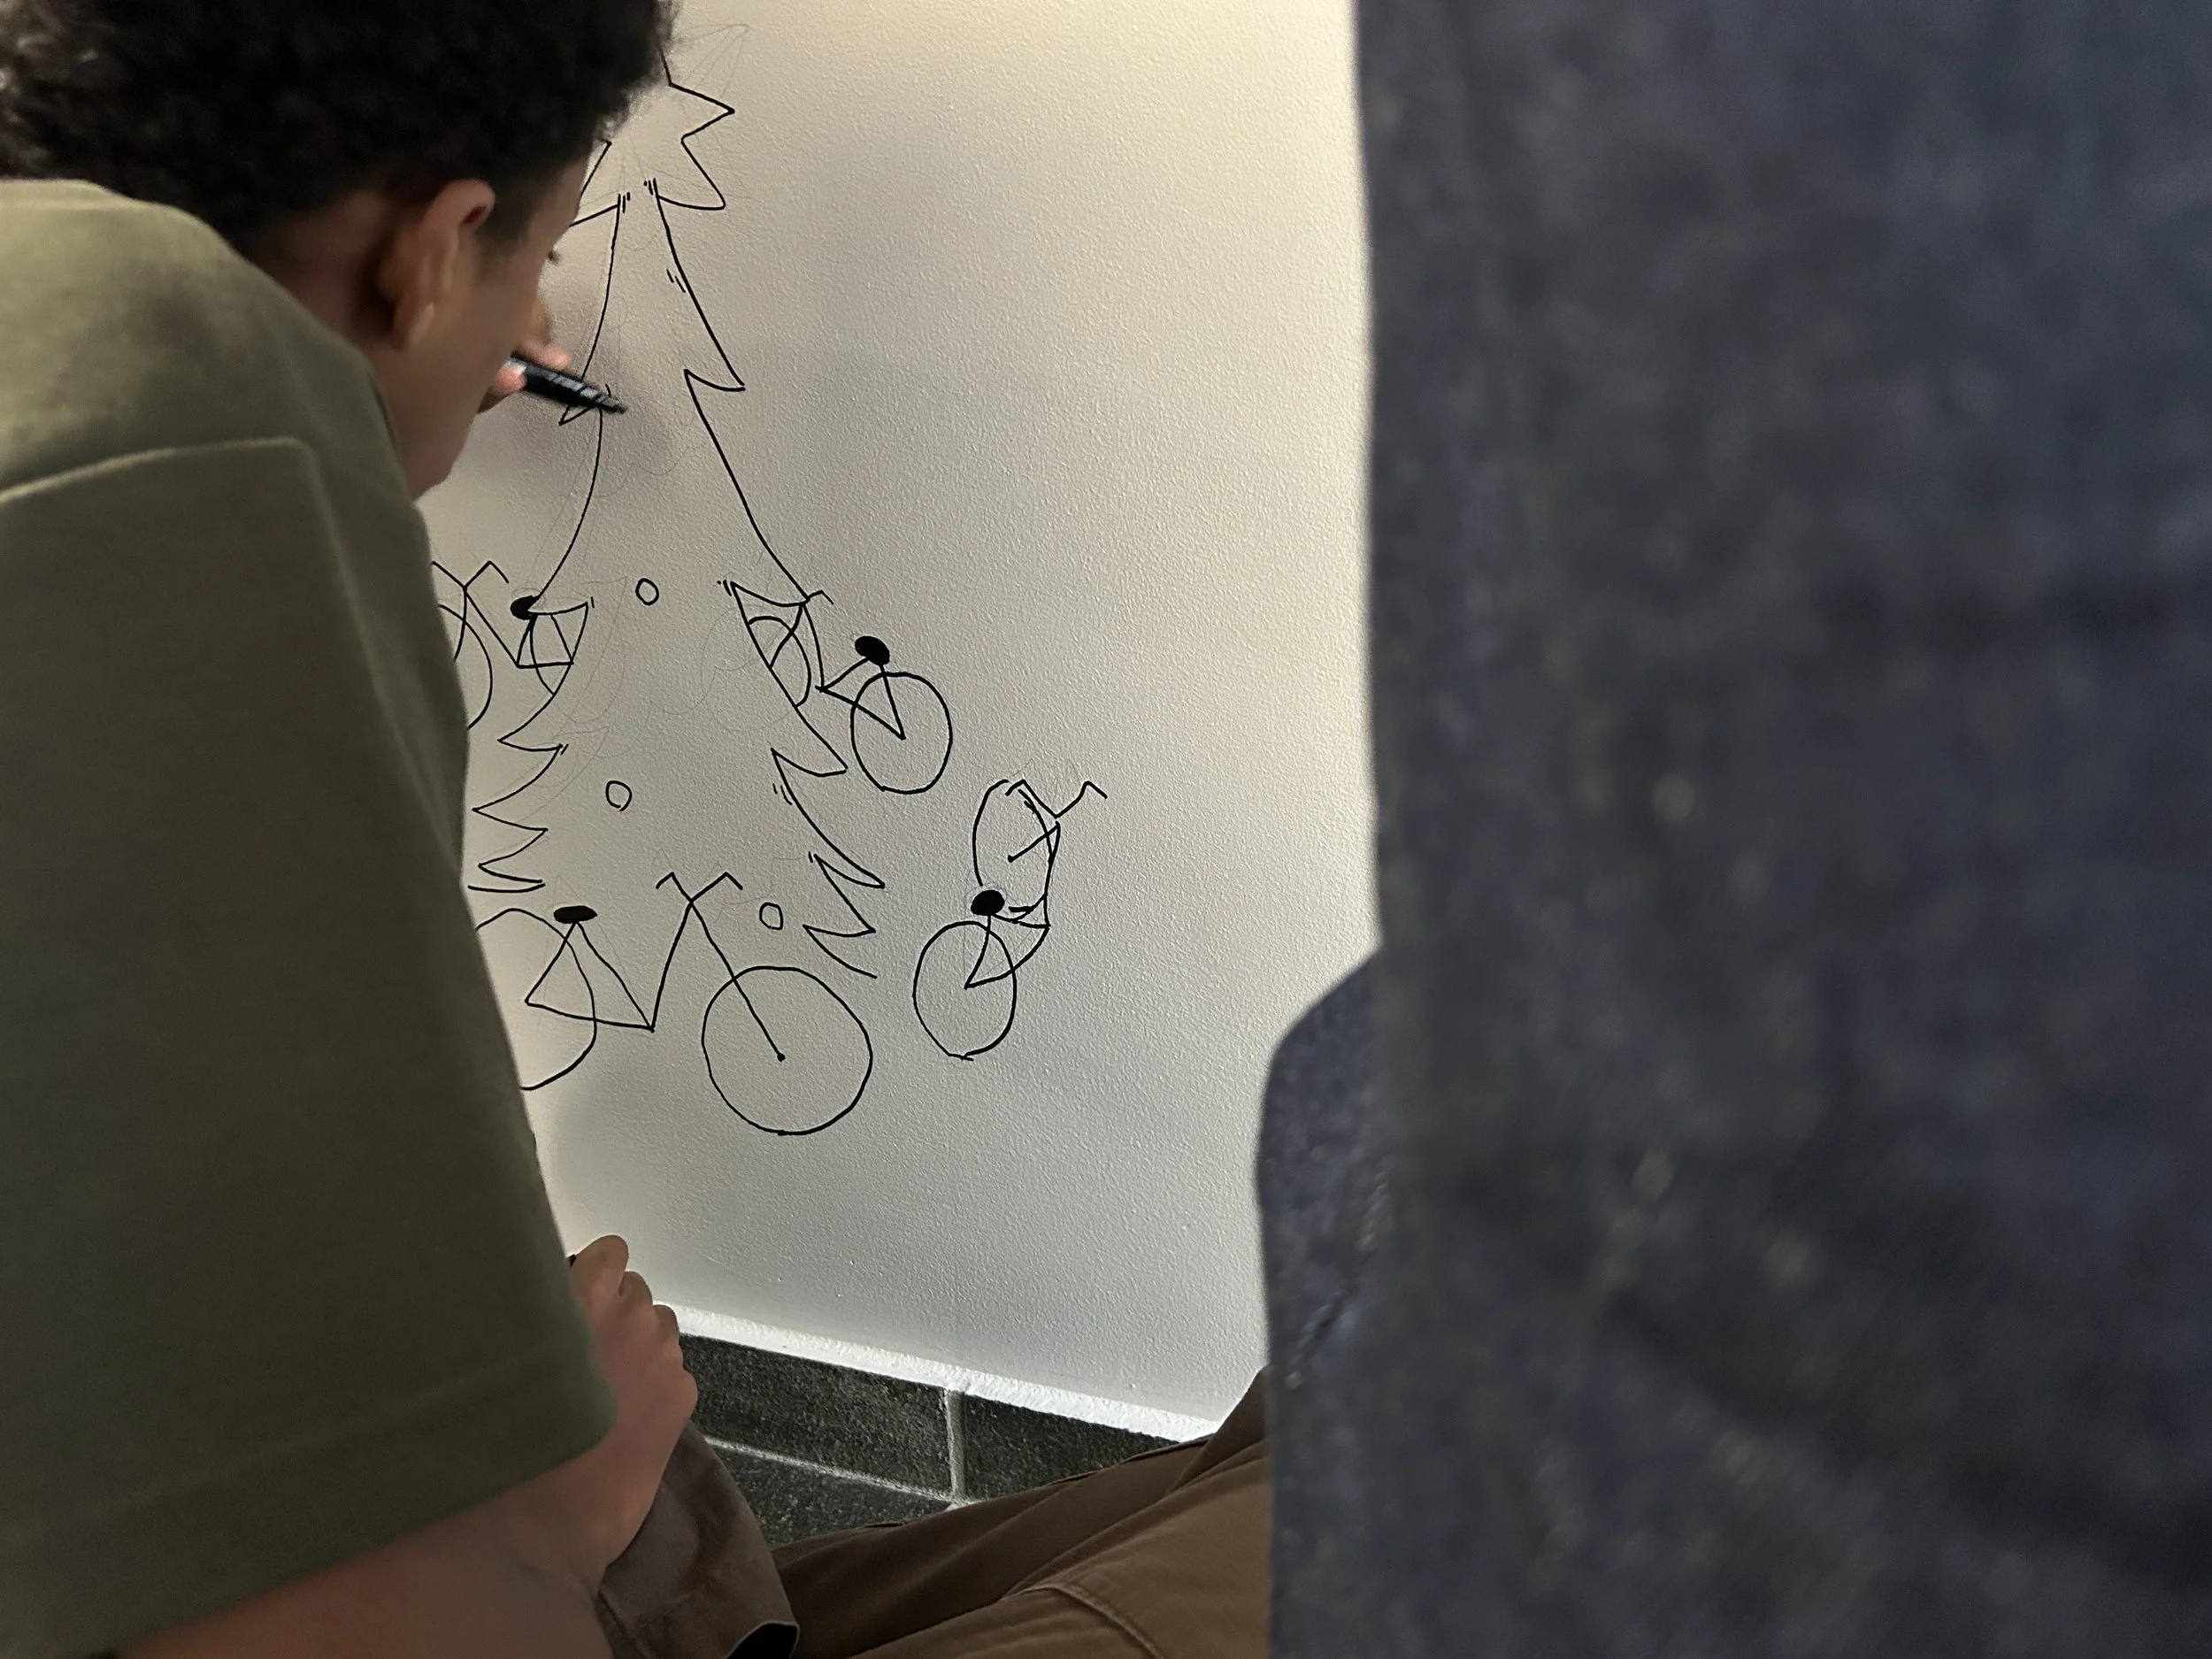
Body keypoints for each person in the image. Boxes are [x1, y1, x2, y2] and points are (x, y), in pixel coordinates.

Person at [0, 4, 1268, 1655]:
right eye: (538, 260)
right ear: (436, 249)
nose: (538, 327)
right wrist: (554, 1510)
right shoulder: (168, 400)